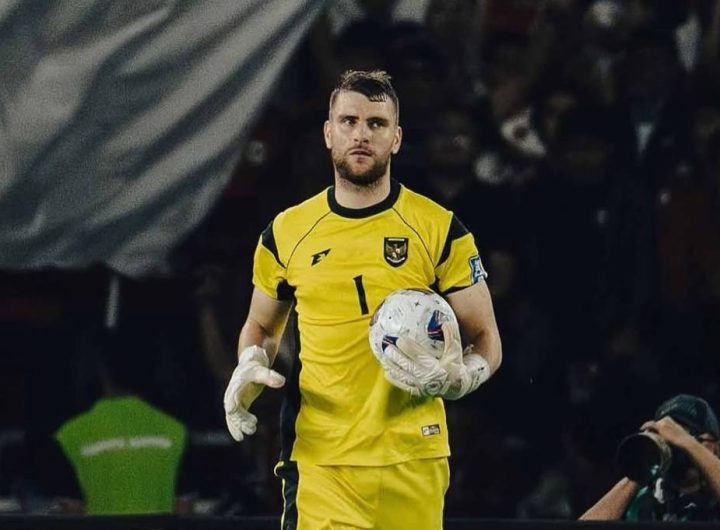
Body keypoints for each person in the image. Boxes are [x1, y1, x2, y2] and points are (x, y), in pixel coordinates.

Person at [223, 70, 502, 529]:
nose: (361, 134)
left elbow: (486, 335)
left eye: (376, 123)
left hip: (414, 455)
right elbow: (262, 326)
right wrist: (250, 361)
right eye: (349, 121)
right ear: (328, 133)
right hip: (322, 461)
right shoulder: (286, 232)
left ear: (397, 138)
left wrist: (467, 377)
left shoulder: (438, 227)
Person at [52, 329, 192, 515]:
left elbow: (69, 512)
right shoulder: (176, 432)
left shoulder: (70, 436)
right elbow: (184, 509)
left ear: (101, 370)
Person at [580, 393, 720, 521]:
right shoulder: (647, 499)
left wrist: (686, 442)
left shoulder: (714, 497)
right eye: (669, 440)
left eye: (695, 437)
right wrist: (642, 466)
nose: (677, 446)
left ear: (716, 447)